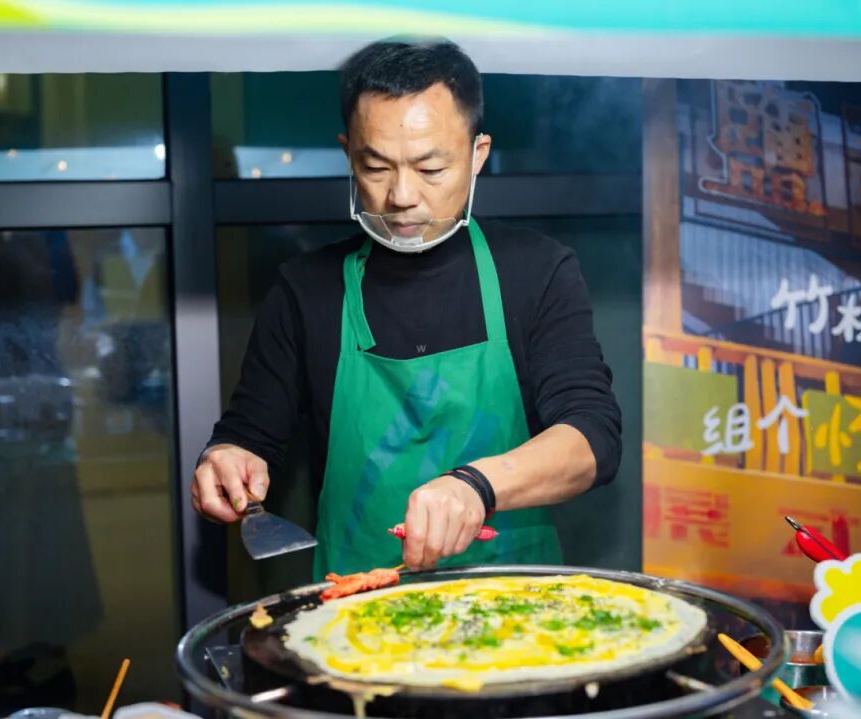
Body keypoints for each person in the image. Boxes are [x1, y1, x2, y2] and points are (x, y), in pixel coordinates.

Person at [193, 38, 622, 577]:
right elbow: (249, 435)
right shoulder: (305, 290)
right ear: (349, 153)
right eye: (375, 167)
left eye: (431, 169)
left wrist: (476, 486)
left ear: (477, 155)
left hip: (514, 598)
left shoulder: (537, 271)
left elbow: (592, 436)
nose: (401, 196)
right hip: (356, 600)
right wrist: (227, 458)